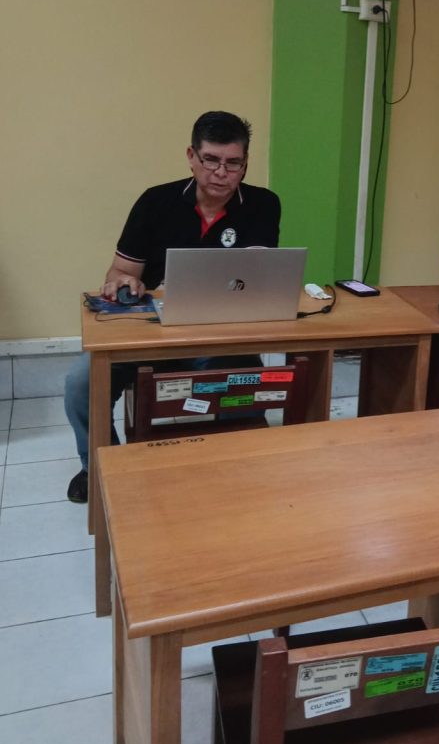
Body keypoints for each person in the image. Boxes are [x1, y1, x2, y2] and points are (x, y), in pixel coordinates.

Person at [64, 111, 280, 503]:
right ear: (192, 156)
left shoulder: (263, 204)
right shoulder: (156, 201)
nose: (221, 173)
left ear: (245, 163)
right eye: (211, 160)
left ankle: (236, 466)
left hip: (221, 336)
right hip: (153, 333)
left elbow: (258, 276)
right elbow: (120, 271)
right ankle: (97, 466)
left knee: (244, 381)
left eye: (233, 163)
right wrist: (124, 281)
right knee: (81, 382)